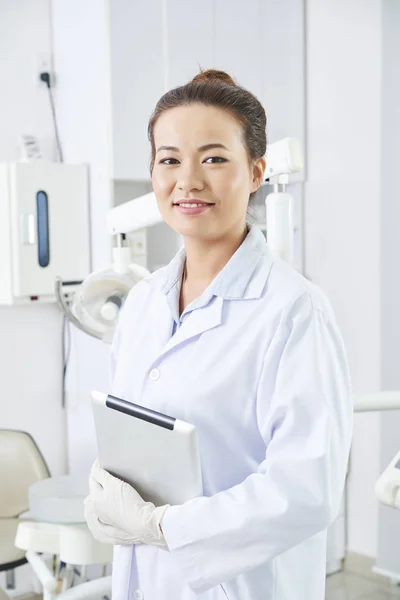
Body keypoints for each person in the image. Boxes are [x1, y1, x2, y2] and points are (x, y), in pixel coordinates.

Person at [84, 69, 353, 600]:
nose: (187, 180)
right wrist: (106, 488)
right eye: (169, 159)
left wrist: (166, 528)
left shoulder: (293, 310)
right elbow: (130, 436)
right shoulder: (141, 303)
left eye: (212, 158)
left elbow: (307, 489)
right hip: (146, 580)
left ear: (256, 172)